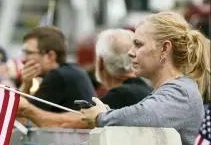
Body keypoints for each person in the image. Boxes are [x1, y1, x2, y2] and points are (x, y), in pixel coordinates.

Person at [80, 11, 210, 145]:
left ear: (165, 49)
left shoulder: (180, 93)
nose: (130, 53)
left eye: (138, 45)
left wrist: (100, 117)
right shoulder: (175, 90)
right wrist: (106, 113)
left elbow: (143, 114)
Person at [17, 28, 153, 128]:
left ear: (99, 62)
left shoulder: (119, 95)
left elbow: (65, 123)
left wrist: (26, 108)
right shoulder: (143, 90)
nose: (23, 59)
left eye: (28, 53)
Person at [17, 26, 96, 145]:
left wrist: (25, 83)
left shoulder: (57, 77)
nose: (24, 59)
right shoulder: (75, 71)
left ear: (50, 55)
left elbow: (21, 119)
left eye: (29, 53)